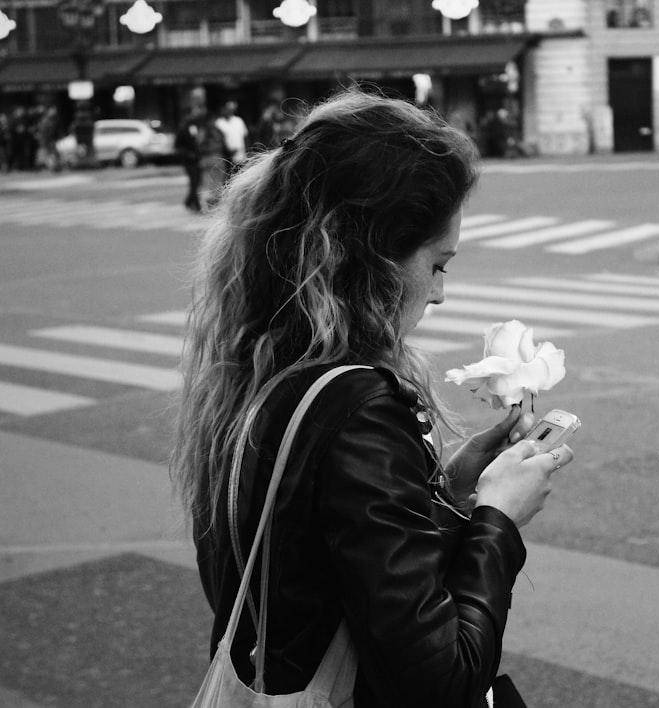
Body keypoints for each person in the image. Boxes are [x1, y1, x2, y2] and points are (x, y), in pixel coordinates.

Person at [171, 90, 573, 706]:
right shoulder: (358, 405)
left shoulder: (264, 371)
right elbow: (443, 677)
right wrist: (499, 522)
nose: (440, 293)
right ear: (372, 256)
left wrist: (452, 488)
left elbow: (319, 573)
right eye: (438, 264)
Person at [215, 99, 249, 173]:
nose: (229, 111)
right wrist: (228, 151)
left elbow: (245, 137)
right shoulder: (219, 123)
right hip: (227, 158)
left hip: (241, 156)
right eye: (227, 108)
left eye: (231, 109)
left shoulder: (239, 120)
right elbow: (219, 140)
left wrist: (247, 151)